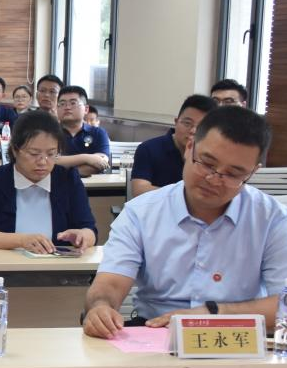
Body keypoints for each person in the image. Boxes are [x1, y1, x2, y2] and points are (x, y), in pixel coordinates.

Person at [83, 106, 286, 340]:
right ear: (190, 147)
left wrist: (213, 314)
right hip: (155, 334)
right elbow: (110, 283)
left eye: (233, 174)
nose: (214, 179)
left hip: (235, 339)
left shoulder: (272, 219)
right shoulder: (141, 213)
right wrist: (101, 308)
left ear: (252, 173)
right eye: (207, 163)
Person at [0, 110, 97, 254]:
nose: (42, 162)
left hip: (58, 266)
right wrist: (21, 241)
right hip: (6, 265)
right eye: (34, 154)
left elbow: (90, 230)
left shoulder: (68, 179)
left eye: (51, 154)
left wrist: (83, 236)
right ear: (15, 150)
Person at [131, 95, 217, 197]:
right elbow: (139, 190)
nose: (193, 131)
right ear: (176, 122)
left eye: (201, 127)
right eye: (187, 123)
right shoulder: (148, 149)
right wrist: (184, 197)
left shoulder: (212, 157)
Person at [55, 85, 111, 177]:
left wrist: (63, 171)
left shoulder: (98, 133)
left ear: (86, 109)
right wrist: (87, 158)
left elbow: (101, 162)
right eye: (62, 103)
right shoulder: (49, 133)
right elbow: (50, 161)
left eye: (73, 103)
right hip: (57, 184)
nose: (67, 107)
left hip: (93, 185)